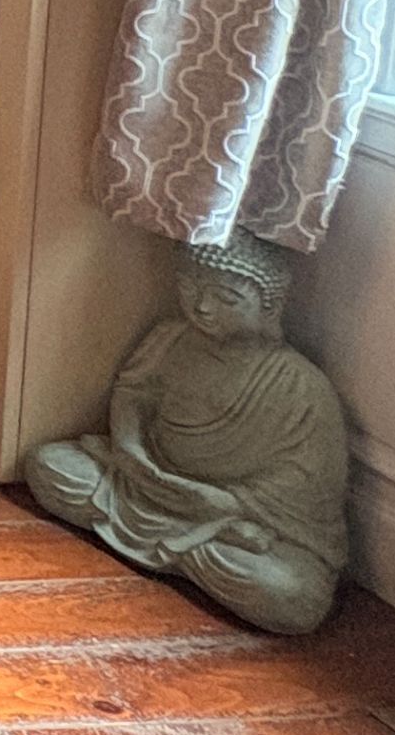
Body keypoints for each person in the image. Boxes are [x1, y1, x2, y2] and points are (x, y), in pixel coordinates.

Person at [27, 234, 349, 635]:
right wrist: (129, 450)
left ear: (270, 306)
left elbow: (308, 483)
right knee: (49, 464)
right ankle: (186, 549)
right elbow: (132, 394)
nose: (202, 307)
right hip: (143, 484)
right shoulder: (171, 338)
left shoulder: (300, 385)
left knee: (294, 596)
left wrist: (227, 502)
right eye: (189, 288)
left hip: (227, 512)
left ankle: (195, 545)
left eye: (226, 298)